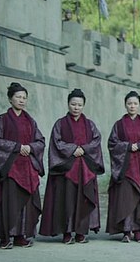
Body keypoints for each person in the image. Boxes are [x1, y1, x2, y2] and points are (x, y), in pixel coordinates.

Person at [0, 82, 45, 249]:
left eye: (24, 97)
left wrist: (30, 148)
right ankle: (6, 236)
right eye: (18, 97)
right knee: (9, 203)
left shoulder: (30, 121)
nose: (21, 100)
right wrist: (17, 147)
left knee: (26, 204)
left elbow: (40, 141)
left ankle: (21, 236)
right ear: (10, 99)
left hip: (28, 168)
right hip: (10, 168)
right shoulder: (1, 120)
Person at [39, 88, 105, 244]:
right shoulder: (60, 124)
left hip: (85, 169)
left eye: (79, 105)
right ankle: (67, 232)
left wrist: (84, 149)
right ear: (68, 104)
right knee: (66, 201)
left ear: (83, 106)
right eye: (73, 104)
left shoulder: (89, 124)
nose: (76, 107)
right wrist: (73, 149)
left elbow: (96, 141)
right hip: (67, 169)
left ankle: (81, 232)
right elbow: (56, 142)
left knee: (84, 200)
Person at [106, 91, 140, 243]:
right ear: (125, 105)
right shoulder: (119, 125)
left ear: (139, 105)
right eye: (129, 103)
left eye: (135, 103)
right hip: (126, 167)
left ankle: (138, 230)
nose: (132, 106)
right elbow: (112, 143)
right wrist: (128, 146)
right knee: (126, 199)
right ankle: (126, 230)